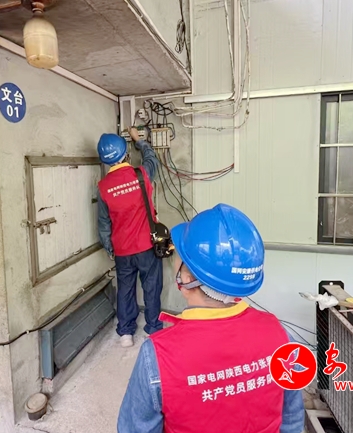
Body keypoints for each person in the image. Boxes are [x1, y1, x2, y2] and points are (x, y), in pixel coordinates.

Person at [117, 203, 305, 433]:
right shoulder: (281, 336)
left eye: (178, 255)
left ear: (186, 279)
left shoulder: (157, 355)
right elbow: (292, 420)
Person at [97, 127, 163, 348]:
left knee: (125, 289)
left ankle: (126, 332)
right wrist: (138, 140)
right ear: (125, 154)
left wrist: (110, 248)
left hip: (122, 250)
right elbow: (152, 159)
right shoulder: (141, 174)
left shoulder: (103, 188)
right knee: (151, 287)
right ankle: (153, 328)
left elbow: (103, 223)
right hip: (147, 246)